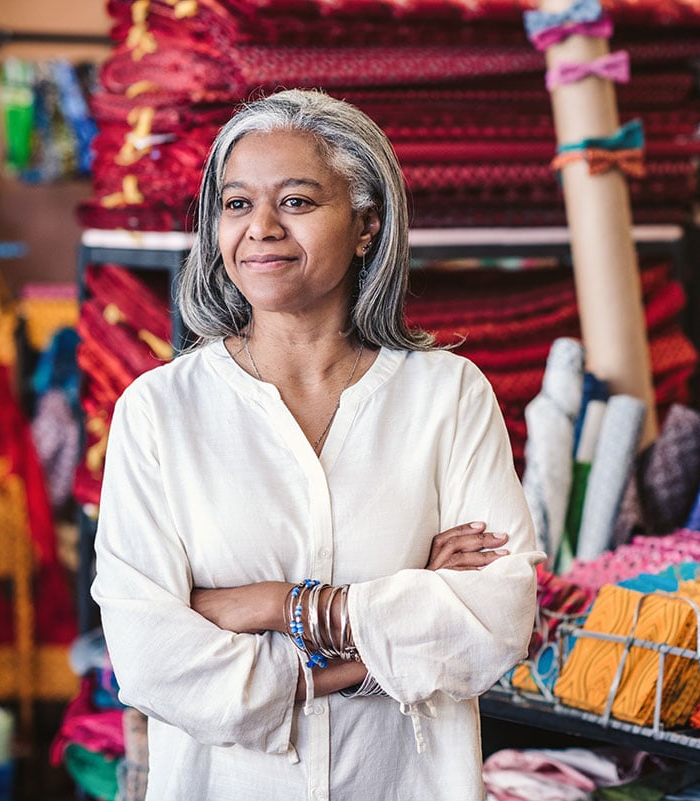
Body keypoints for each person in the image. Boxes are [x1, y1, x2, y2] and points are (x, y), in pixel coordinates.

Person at [91, 89, 543, 801]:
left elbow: (495, 621)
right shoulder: (159, 412)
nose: (261, 228)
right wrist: (394, 611)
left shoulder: (448, 396)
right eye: (237, 204)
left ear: (366, 225)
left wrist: (274, 606)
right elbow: (151, 659)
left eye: (297, 201)